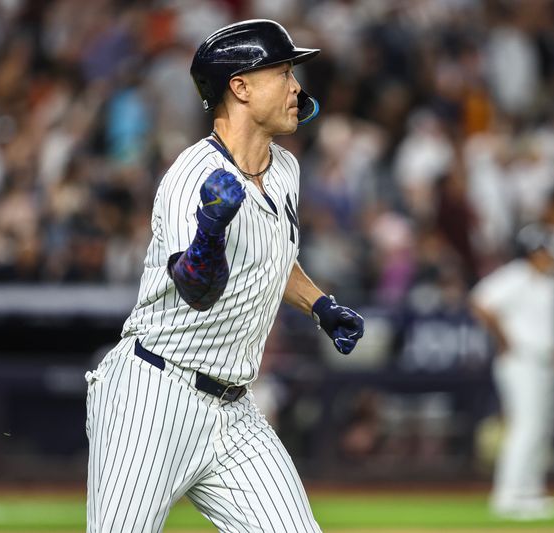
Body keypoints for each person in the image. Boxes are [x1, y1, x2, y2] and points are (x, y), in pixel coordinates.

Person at [84, 19, 364, 533]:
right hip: (154, 395)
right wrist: (209, 233)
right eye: (283, 73)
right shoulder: (190, 177)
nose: (296, 87)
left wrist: (320, 305)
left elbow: (272, 258)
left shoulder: (285, 169)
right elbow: (194, 288)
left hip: (235, 410)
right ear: (240, 86)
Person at [470, 223, 554, 521]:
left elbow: (553, 336)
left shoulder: (550, 285)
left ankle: (530, 491)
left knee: (543, 428)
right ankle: (507, 495)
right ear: (534, 251)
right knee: (526, 426)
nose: (553, 258)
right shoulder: (516, 275)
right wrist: (503, 338)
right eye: (547, 252)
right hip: (521, 361)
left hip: (546, 362)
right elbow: (480, 301)